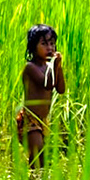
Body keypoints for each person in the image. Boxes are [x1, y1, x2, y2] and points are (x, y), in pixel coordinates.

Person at [16, 24, 66, 169]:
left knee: (39, 158)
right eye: (44, 44)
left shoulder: (48, 67)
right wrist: (54, 66)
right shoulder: (30, 67)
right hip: (30, 120)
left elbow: (61, 89)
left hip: (43, 121)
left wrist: (58, 67)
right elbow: (47, 84)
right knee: (38, 152)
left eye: (52, 44)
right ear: (33, 47)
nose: (49, 48)